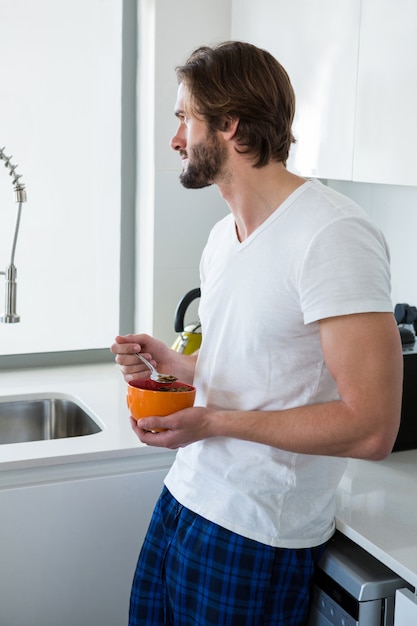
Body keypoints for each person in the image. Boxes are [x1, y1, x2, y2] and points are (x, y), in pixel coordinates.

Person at [111, 41, 403, 626]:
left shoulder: (332, 234)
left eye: (184, 118)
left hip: (256, 531)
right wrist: (173, 362)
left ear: (229, 123)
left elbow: (372, 428)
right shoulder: (224, 237)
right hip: (185, 499)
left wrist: (214, 422)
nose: (175, 139)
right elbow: (255, 368)